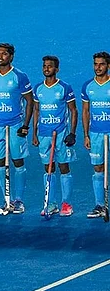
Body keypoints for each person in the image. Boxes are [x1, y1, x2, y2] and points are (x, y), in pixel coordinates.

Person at [0, 43, 33, 214]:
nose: (0, 57)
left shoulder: (20, 76)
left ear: (11, 56)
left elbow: (30, 101)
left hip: (15, 125)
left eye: (4, 54)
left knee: (17, 161)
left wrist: (25, 125)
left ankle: (18, 200)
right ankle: (7, 199)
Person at [33, 55, 78, 217]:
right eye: (44, 66)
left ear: (56, 69)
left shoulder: (65, 87)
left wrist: (72, 133)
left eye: (50, 66)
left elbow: (73, 110)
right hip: (44, 134)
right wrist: (34, 133)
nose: (46, 68)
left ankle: (66, 203)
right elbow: (36, 111)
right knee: (48, 168)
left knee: (64, 167)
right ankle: (51, 204)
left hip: (61, 134)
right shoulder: (38, 89)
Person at [82, 51, 110, 219]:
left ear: (108, 66)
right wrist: (86, 135)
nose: (98, 67)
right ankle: (100, 205)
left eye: (101, 64)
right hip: (96, 134)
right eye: (95, 64)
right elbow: (85, 111)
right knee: (98, 168)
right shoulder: (88, 86)